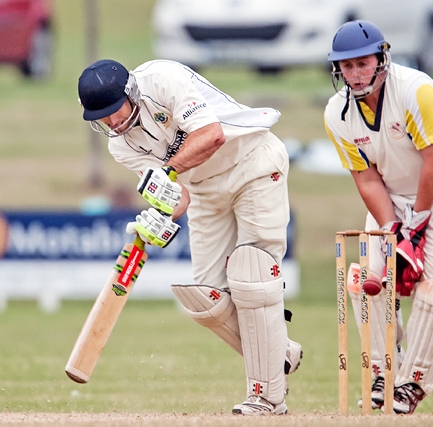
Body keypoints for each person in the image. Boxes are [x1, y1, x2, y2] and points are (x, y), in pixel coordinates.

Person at [77, 59, 302, 415]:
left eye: (113, 111)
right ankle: (281, 352)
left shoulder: (163, 80)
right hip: (203, 192)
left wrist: (167, 171)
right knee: (205, 299)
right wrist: (158, 215)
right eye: (101, 118)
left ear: (130, 93)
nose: (111, 122)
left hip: (252, 162)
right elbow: (178, 197)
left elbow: (212, 135)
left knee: (252, 273)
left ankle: (267, 397)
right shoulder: (120, 146)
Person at [324, 21, 433, 414]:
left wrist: (416, 230)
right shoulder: (337, 113)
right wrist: (394, 229)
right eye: (347, 67)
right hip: (393, 197)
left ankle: (413, 381)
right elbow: (365, 178)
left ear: (382, 58)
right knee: (367, 280)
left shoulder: (417, 92)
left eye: (363, 63)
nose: (356, 74)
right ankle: (383, 370)